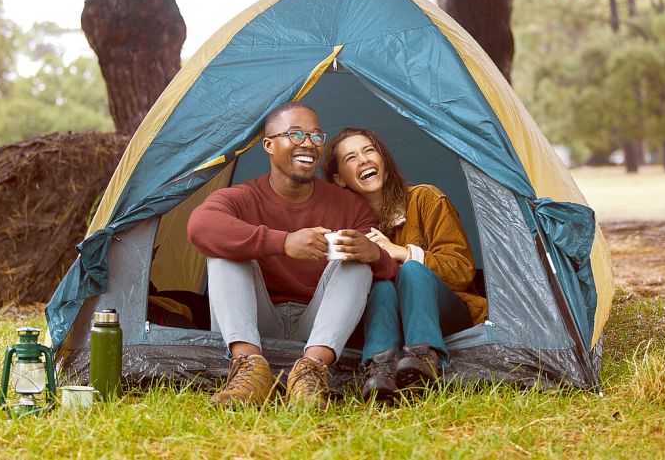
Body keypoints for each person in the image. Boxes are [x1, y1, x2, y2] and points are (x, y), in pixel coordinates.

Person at [187, 103, 398, 409]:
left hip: (317, 327)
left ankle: (311, 374)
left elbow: (389, 271)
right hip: (256, 322)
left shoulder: (350, 207)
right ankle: (249, 371)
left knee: (358, 262)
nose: (308, 144)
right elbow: (199, 227)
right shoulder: (242, 197)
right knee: (222, 250)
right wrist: (283, 242)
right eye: (296, 134)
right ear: (269, 145)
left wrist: (374, 254)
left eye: (315, 137)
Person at [323, 127, 487, 402]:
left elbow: (461, 271)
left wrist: (399, 251)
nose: (363, 160)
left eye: (369, 151)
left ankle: (424, 358)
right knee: (383, 287)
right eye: (351, 158)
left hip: (445, 311)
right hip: (383, 319)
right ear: (339, 179)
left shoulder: (426, 199)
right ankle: (379, 369)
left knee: (411, 269)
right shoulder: (345, 229)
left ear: (383, 163)